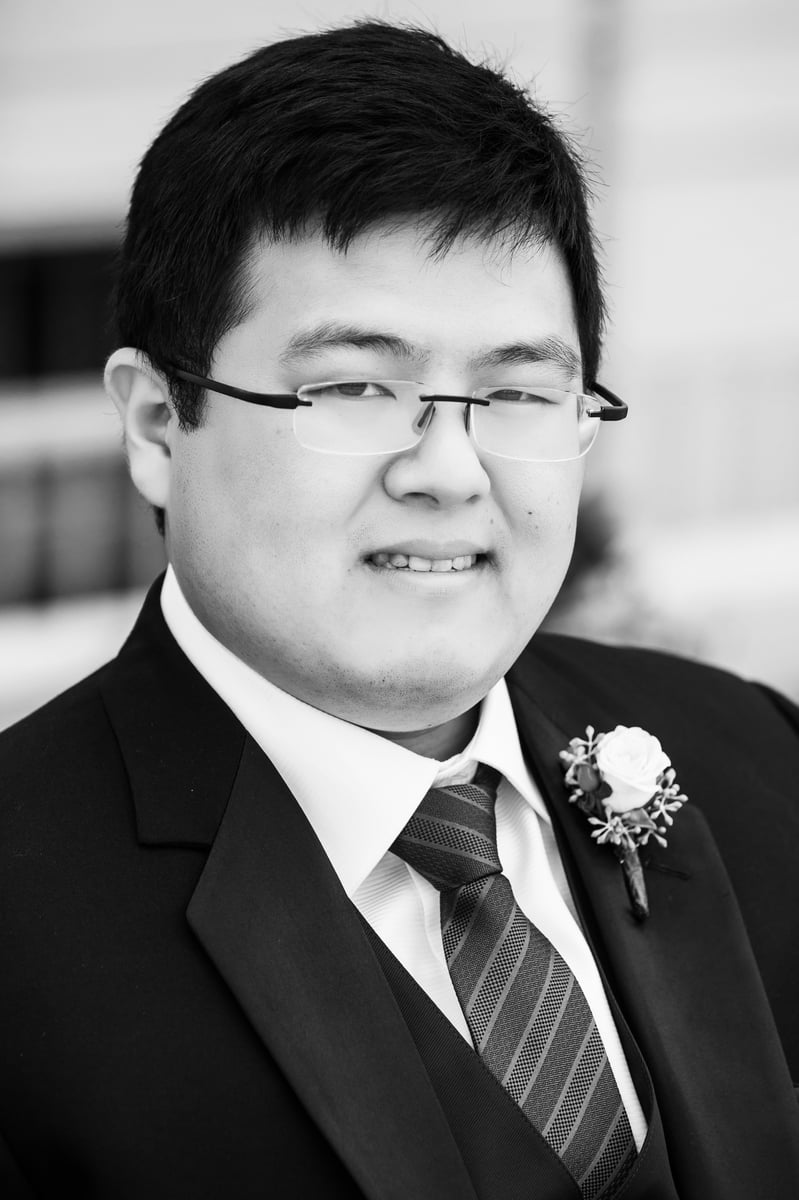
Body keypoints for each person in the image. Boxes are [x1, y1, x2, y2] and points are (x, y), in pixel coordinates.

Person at [1, 20, 797, 1200]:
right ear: (159, 424)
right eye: (356, 386)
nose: (450, 471)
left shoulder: (757, 759)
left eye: (517, 392)